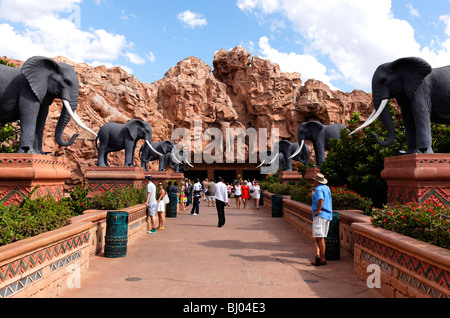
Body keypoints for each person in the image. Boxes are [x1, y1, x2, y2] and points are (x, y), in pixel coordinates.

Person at [311, 173, 333, 266]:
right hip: (327, 215)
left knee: (319, 237)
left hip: (320, 215)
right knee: (319, 237)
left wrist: (318, 210)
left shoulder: (318, 189)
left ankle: (321, 257)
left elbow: (321, 199)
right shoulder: (327, 188)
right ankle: (318, 254)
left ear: (316, 181)